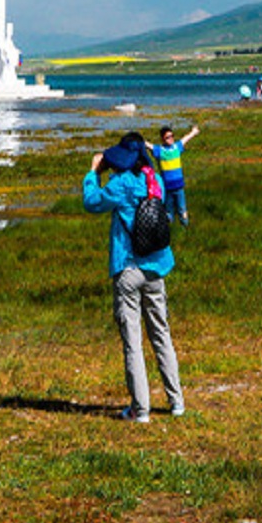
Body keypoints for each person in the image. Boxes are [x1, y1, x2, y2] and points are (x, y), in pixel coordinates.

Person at [82, 132, 184, 422]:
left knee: (133, 341)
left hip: (127, 267)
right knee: (161, 333)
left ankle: (141, 409)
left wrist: (93, 173)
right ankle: (176, 401)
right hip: (156, 266)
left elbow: (91, 201)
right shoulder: (156, 182)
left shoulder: (121, 184)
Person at [153, 124, 200, 225]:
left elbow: (185, 138)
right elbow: (148, 145)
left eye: (172, 136)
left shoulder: (177, 147)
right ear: (162, 139)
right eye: (167, 137)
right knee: (168, 212)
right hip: (167, 188)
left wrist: (193, 132)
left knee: (182, 209)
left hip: (179, 187)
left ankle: (185, 227)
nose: (170, 139)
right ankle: (170, 230)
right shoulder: (160, 151)